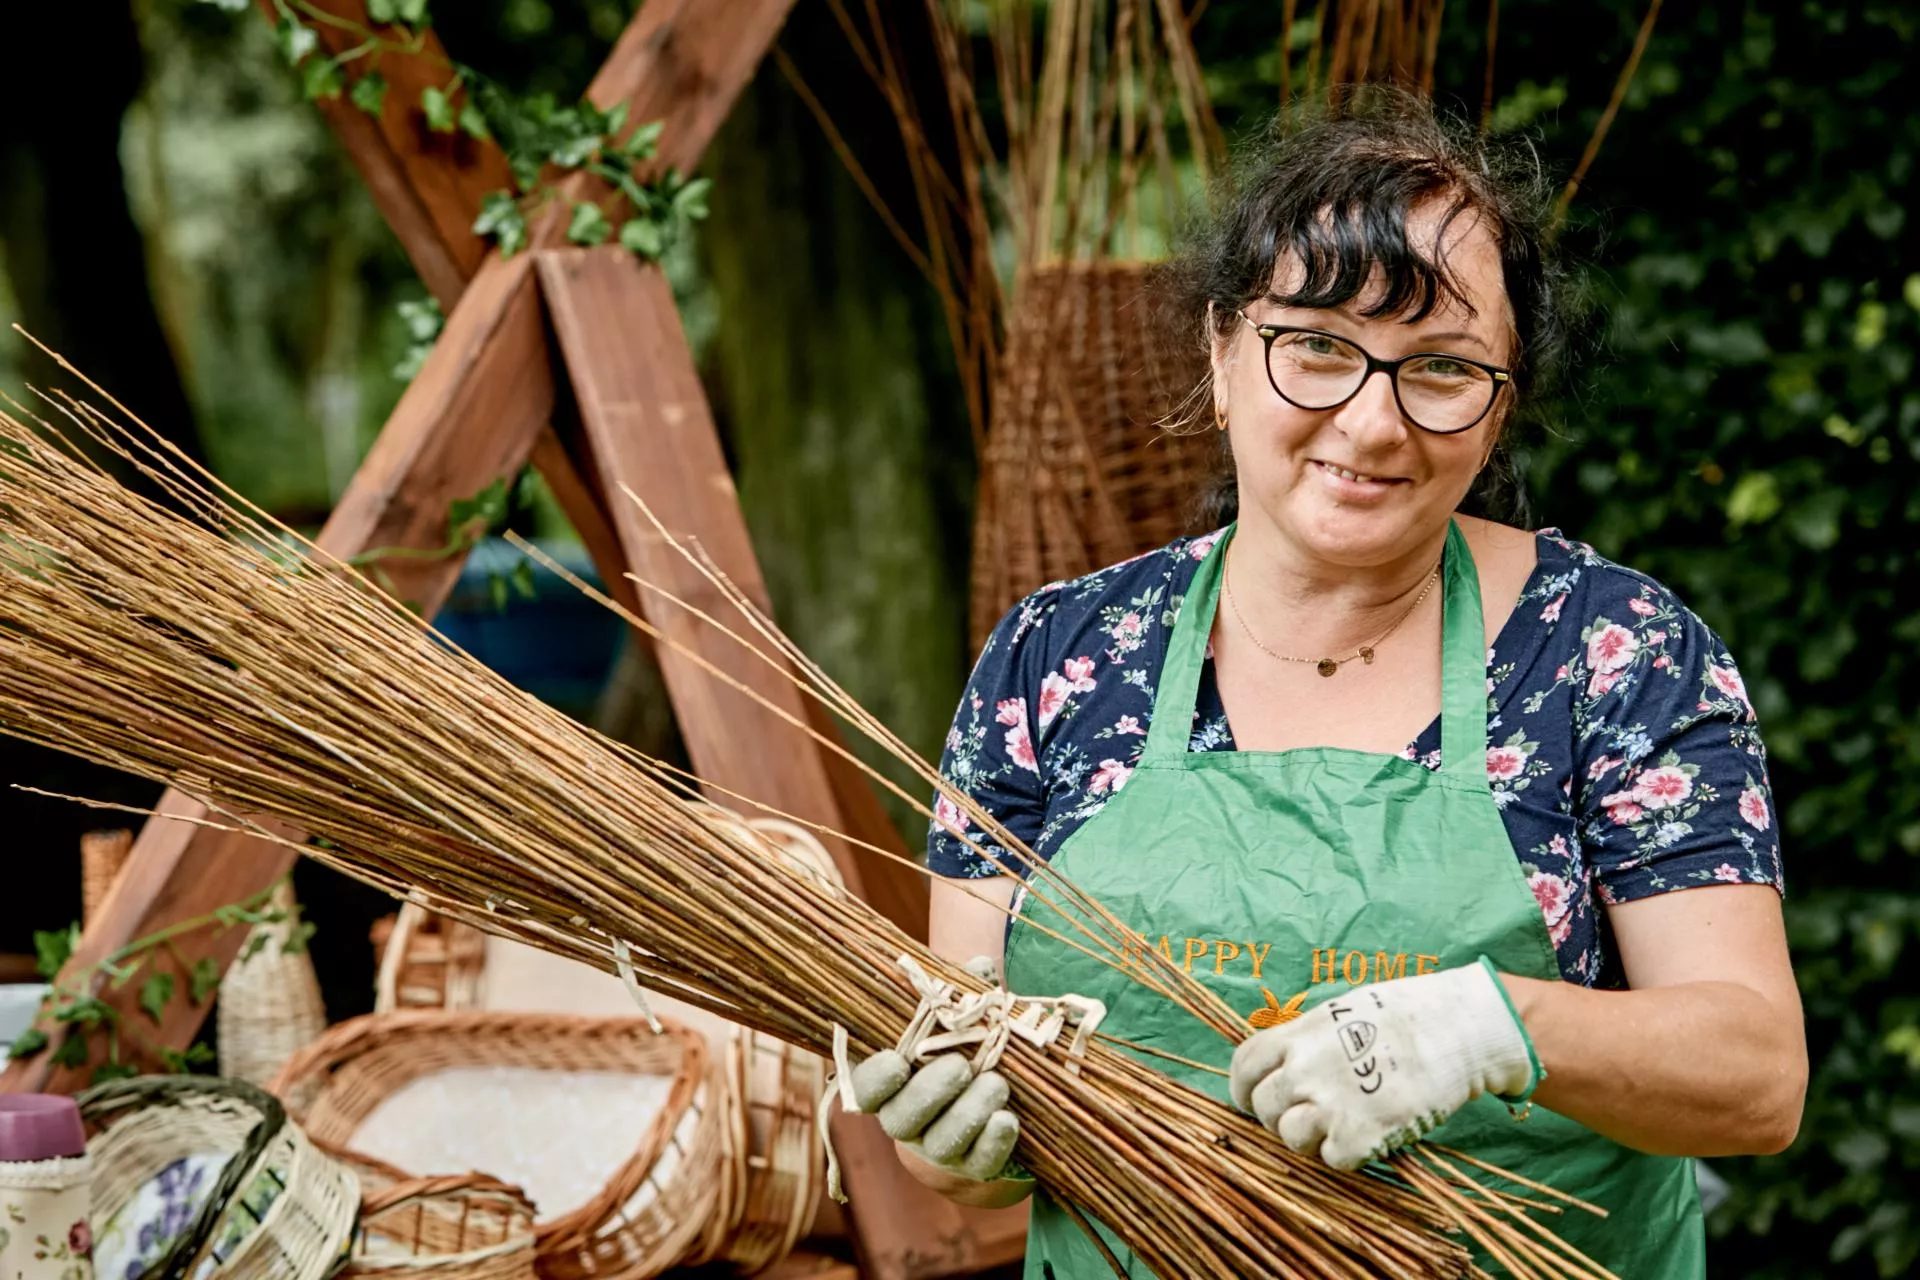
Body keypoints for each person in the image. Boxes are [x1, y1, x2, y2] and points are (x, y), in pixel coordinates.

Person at [863, 95, 1807, 1278]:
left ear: (1501, 405)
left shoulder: (1610, 654)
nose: (1370, 421)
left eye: (1441, 368)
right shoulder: (1055, 659)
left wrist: (1492, 1028)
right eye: (1316, 346)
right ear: (1221, 352)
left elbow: (1755, 1076)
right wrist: (949, 1145)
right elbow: (971, 1082)